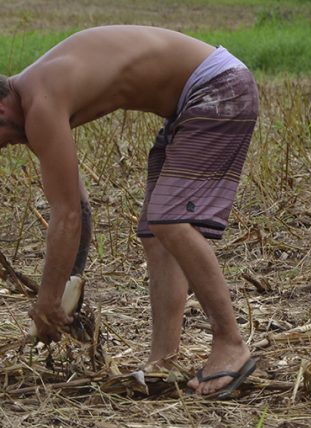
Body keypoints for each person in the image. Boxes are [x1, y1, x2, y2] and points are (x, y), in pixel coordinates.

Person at [0, 25, 259, 398]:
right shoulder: (37, 94)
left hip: (218, 88)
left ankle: (231, 344)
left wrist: (47, 302)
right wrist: (65, 291)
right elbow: (80, 209)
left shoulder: (39, 102)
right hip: (193, 100)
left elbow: (67, 215)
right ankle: (163, 360)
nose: (4, 147)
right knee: (156, 233)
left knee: (171, 221)